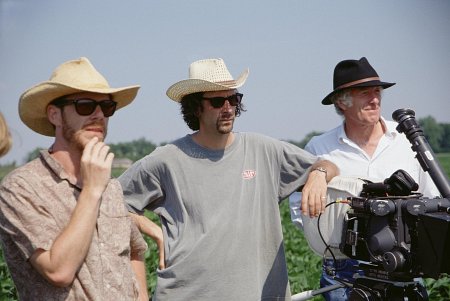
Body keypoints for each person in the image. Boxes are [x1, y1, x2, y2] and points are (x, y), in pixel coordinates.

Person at [118, 58, 339, 300]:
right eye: (217, 101)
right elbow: (112, 202)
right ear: (195, 107)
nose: (228, 108)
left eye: (234, 99)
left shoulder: (264, 150)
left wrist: (318, 174)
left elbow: (327, 165)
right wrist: (154, 231)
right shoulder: (166, 160)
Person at [290, 57, 440, 301]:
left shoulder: (406, 141)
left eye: (377, 91)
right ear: (341, 101)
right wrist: (338, 240)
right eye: (364, 92)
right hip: (344, 271)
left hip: (402, 266)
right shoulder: (319, 148)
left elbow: (433, 200)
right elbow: (299, 209)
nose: (375, 99)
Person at [0, 57, 149, 300]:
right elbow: (58, 270)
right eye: (85, 105)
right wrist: (91, 190)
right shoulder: (22, 187)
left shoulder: (110, 187)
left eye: (107, 107)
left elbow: (135, 250)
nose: (99, 114)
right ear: (54, 115)